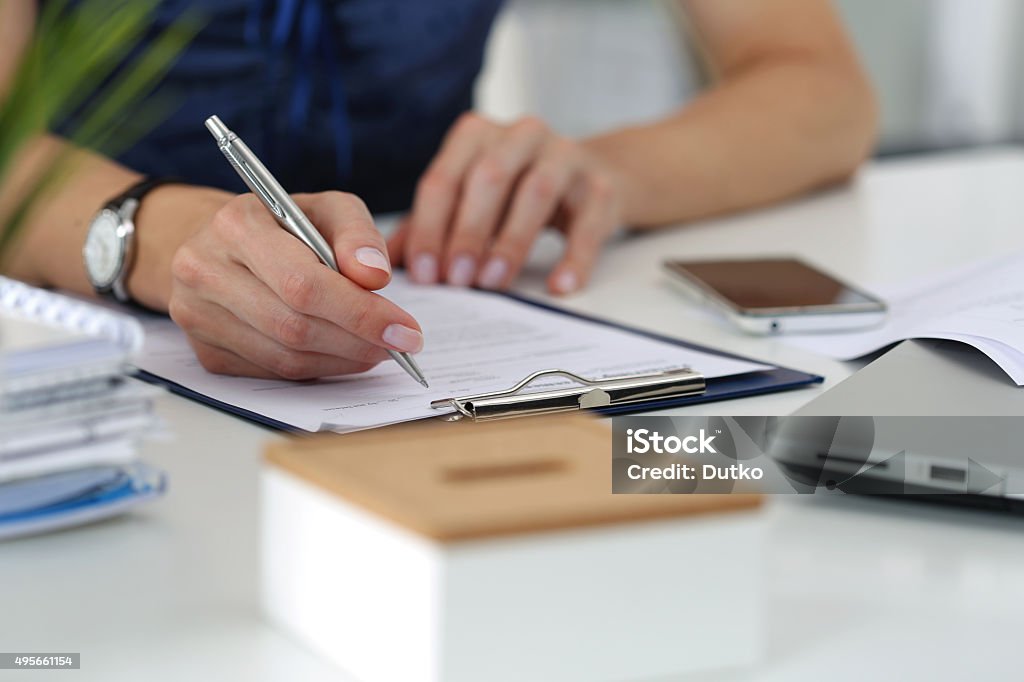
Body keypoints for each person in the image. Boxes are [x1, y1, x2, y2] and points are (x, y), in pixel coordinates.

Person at [0, 0, 876, 380]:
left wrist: (599, 176)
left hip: (433, 276)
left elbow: (824, 93)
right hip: (85, 331)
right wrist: (146, 235)